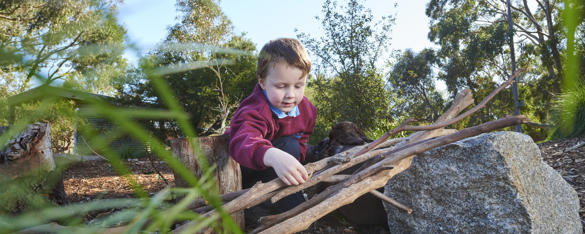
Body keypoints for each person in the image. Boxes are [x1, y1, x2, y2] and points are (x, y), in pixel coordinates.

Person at [225, 38, 317, 214]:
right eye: (281, 86)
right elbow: (244, 141)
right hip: (246, 166)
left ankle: (287, 203)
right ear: (262, 81)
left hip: (277, 166)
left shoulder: (308, 110)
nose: (291, 95)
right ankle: (257, 208)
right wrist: (273, 155)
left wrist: (297, 159)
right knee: (289, 146)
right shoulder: (254, 110)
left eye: (299, 86)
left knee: (293, 146)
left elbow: (303, 137)